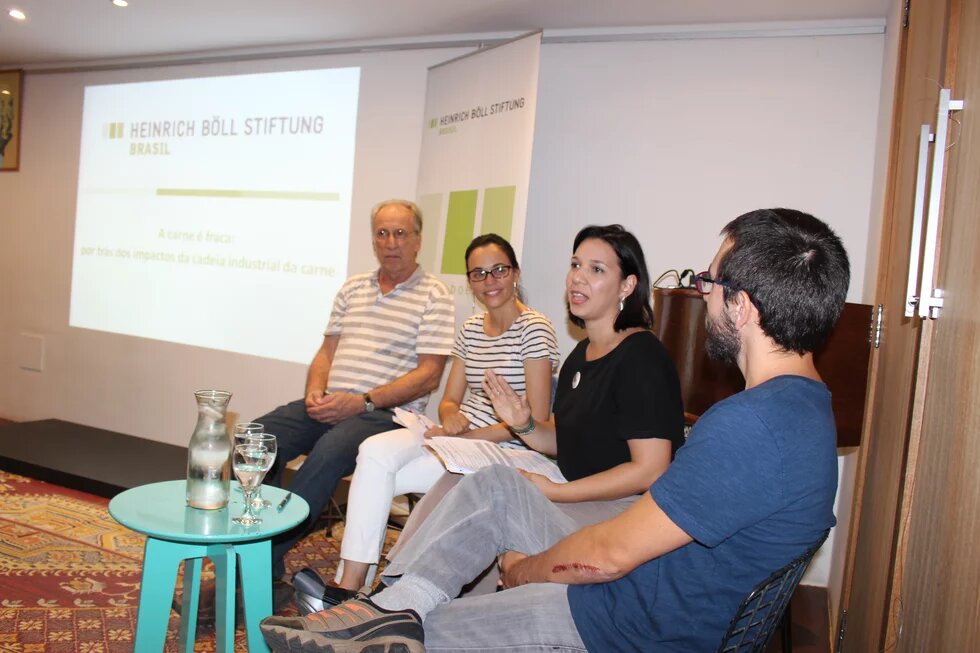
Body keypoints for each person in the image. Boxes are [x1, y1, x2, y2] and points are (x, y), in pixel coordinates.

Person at [260, 208, 848, 653]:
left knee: (420, 634)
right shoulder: (801, 407)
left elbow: (610, 555)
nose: (702, 295)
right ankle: (384, 606)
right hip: (643, 596)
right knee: (492, 490)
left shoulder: (750, 425)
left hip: (625, 625)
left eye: (709, 282)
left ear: (741, 306)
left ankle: (381, 618)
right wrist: (523, 429)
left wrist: (521, 571)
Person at [312, 233, 561, 598]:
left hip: (505, 449)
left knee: (377, 480)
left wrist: (464, 437)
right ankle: (352, 583)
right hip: (457, 439)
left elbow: (534, 420)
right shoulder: (471, 329)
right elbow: (448, 400)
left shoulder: (535, 328)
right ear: (469, 282)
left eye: (498, 271)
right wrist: (452, 418)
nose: (489, 281)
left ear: (515, 273)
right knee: (374, 451)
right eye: (478, 274)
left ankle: (367, 587)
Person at [259, 198, 456, 582]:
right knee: (255, 440)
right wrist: (316, 390)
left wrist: (363, 401)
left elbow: (430, 374)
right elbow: (326, 351)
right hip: (333, 403)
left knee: (330, 452)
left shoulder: (435, 295)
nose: (390, 242)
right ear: (373, 240)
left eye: (400, 233)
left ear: (418, 240)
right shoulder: (353, 287)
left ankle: (260, 555)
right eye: (382, 233)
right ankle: (263, 561)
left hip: (385, 414)